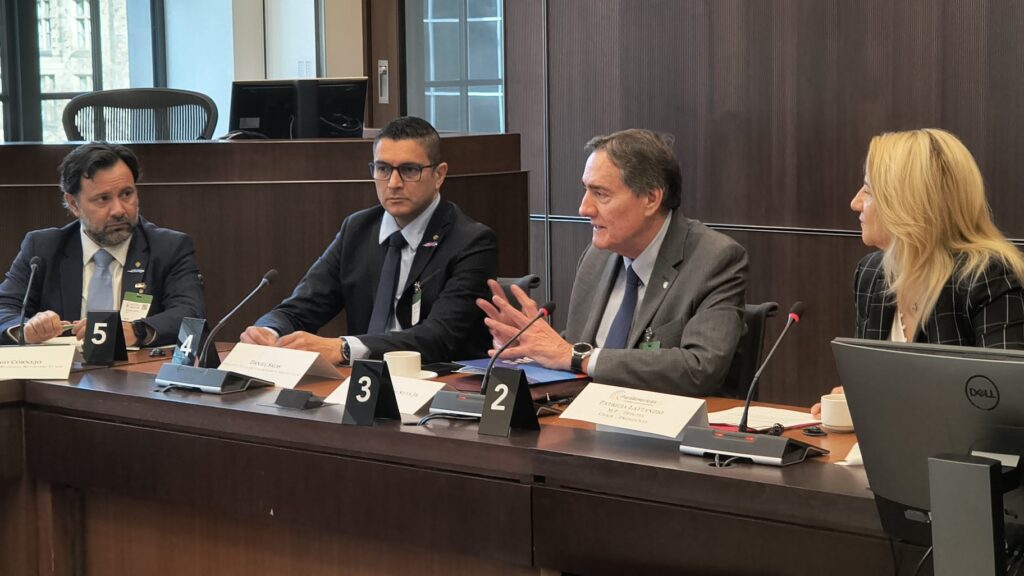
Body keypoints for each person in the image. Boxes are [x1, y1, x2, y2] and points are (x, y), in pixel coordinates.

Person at [478, 129, 748, 396]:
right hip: (583, 421)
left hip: (664, 430)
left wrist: (575, 356)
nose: (584, 208)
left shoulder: (714, 259)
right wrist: (527, 348)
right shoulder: (597, 258)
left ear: (651, 198)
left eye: (600, 193)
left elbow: (701, 368)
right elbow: (572, 352)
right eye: (586, 190)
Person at [241, 116, 497, 364]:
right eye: (383, 169)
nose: (394, 183)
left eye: (409, 170)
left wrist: (343, 348)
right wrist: (269, 331)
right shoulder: (357, 229)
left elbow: (440, 337)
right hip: (362, 385)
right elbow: (299, 309)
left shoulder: (471, 242)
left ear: (439, 175)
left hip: (441, 383)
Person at [812, 128, 1024, 417]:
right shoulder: (870, 274)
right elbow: (874, 387)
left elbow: (1006, 410)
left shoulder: (987, 276)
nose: (855, 203)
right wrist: (856, 398)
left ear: (906, 204)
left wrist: (881, 400)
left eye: (869, 190)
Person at [0, 142, 206, 347]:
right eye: (103, 199)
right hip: (63, 375)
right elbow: (4, 309)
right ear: (73, 204)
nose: (118, 210)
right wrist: (26, 329)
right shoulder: (42, 248)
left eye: (126, 194)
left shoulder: (169, 247)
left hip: (137, 373)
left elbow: (190, 314)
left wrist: (135, 331)